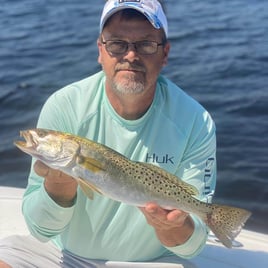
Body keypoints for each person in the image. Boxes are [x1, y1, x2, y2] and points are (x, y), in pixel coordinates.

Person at [0, 0, 216, 267]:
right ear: (100, 50)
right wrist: (57, 189)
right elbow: (40, 230)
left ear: (165, 53)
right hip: (62, 254)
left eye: (146, 44)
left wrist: (172, 228)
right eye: (117, 44)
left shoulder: (197, 121)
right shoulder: (64, 105)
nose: (130, 55)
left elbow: (192, 247)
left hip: (153, 261)